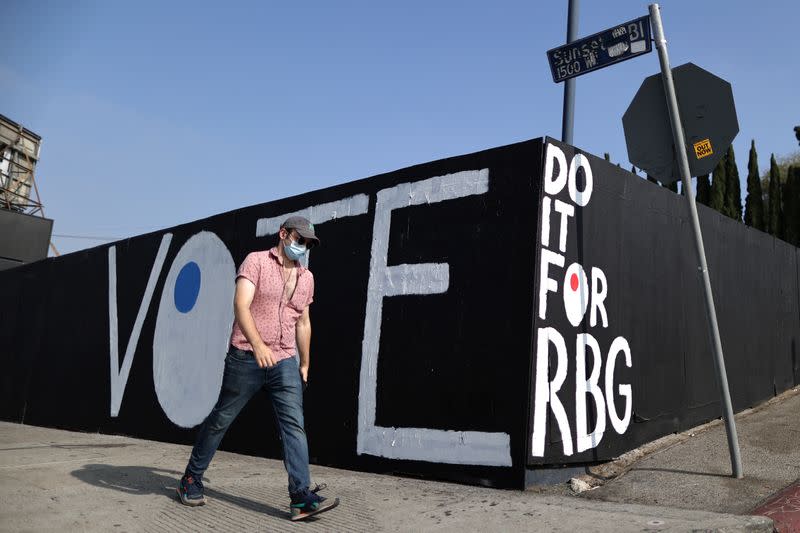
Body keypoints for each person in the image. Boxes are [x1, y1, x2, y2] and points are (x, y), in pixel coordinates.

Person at [176, 215, 338, 521]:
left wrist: (304, 362)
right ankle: (190, 479)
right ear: (283, 234)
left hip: (285, 360)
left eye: (307, 243)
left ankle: (301, 498)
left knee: (294, 425)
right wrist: (259, 345)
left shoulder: (307, 278)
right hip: (246, 356)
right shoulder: (256, 262)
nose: (302, 247)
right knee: (221, 419)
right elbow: (241, 304)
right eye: (299, 240)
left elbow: (303, 322)